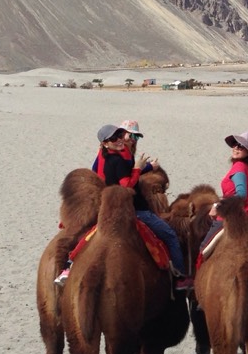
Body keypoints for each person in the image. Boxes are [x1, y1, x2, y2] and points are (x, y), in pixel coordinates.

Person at [57, 124, 189, 289]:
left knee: (89, 235)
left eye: (121, 136)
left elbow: (115, 174)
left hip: (109, 208)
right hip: (136, 210)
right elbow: (126, 184)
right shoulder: (118, 160)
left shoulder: (107, 158)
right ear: (105, 143)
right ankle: (181, 278)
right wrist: (138, 168)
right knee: (170, 236)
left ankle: (69, 266)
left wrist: (145, 167)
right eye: (114, 138)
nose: (120, 140)